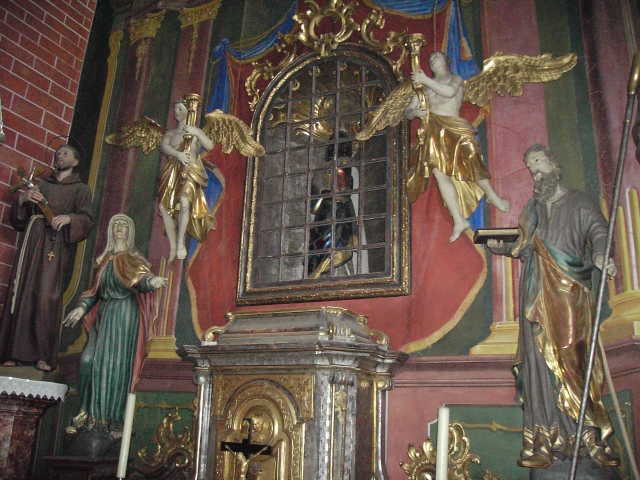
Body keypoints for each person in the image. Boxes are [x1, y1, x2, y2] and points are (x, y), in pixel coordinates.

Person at [487, 144, 619, 469]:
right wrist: (502, 248)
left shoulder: (579, 202)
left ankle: (589, 439)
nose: (535, 172)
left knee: (574, 359)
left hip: (570, 293)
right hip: (535, 295)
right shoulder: (532, 210)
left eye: (538, 162)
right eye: (530, 168)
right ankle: (544, 441)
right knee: (538, 366)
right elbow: (524, 246)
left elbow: (599, 232)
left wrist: (601, 255)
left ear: (553, 164)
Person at [63, 214, 167, 434]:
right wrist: (81, 308)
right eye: (116, 224)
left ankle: (114, 417)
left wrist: (152, 281)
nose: (119, 227)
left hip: (124, 314)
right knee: (88, 360)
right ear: (111, 230)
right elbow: (94, 292)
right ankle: (87, 411)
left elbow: (141, 279)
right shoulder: (103, 261)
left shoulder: (133, 258)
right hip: (105, 314)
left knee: (118, 365)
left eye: (124, 224)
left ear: (130, 231)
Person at [0, 144, 94, 372]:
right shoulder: (41, 185)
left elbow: (87, 219)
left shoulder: (80, 189)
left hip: (55, 243)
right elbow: (19, 220)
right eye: (58, 153)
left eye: (65, 153)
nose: (60, 156)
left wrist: (70, 218)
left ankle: (42, 355)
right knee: (23, 291)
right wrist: (24, 199)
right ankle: (13, 352)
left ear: (75, 162)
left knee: (46, 295)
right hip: (32, 240)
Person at [405, 51, 511, 242]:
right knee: (439, 174)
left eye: (436, 56)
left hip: (454, 125)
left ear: (446, 61)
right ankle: (458, 220)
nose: (432, 58)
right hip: (432, 131)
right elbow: (407, 112)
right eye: (430, 57)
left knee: (471, 159)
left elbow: (449, 92)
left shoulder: (455, 78)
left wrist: (424, 80)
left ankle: (491, 195)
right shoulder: (423, 87)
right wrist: (415, 113)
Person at [158, 97, 214, 262]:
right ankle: (173, 245)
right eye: (175, 109)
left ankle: (181, 241)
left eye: (180, 109)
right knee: (163, 206)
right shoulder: (170, 133)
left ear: (189, 111)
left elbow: (209, 146)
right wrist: (178, 154)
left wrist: (197, 133)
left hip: (190, 171)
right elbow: (164, 146)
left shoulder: (195, 132)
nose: (176, 112)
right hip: (172, 171)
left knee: (184, 202)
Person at [308, 138, 358, 279]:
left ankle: (339, 276)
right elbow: (314, 203)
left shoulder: (348, 170)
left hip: (340, 210)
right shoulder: (324, 170)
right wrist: (326, 192)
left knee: (340, 244)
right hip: (328, 212)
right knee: (325, 244)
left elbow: (347, 192)